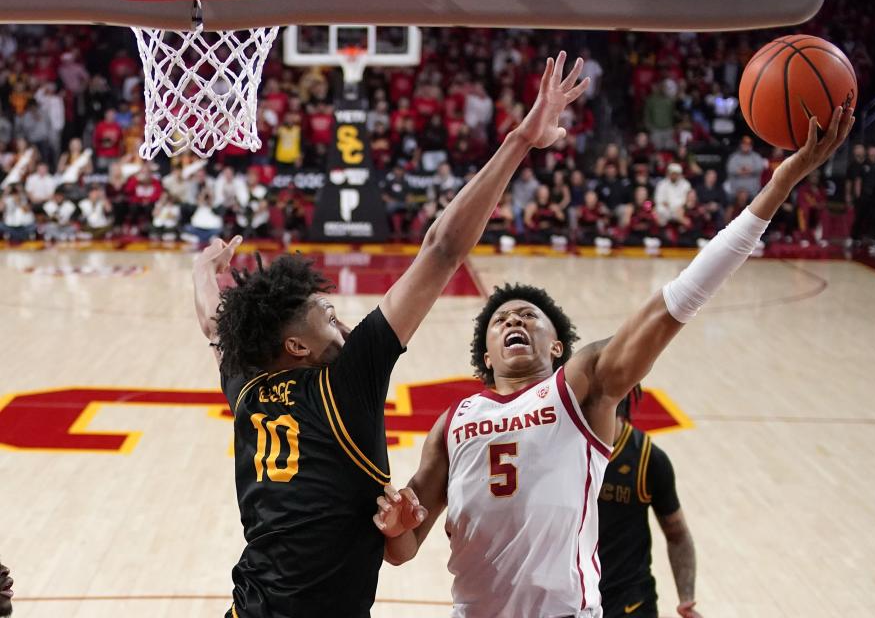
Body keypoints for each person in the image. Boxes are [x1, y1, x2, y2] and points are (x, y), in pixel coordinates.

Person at [373, 107, 854, 618]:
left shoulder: (580, 388)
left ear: (558, 346)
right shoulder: (453, 423)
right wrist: (398, 527)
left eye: (531, 316)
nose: (514, 318)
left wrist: (777, 186)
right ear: (485, 355)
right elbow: (402, 552)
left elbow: (676, 301)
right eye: (501, 318)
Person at [191, 51, 590, 618]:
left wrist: (200, 274)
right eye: (327, 317)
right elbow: (443, 249)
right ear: (298, 348)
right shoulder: (345, 381)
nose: (346, 324)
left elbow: (215, 326)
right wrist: (520, 141)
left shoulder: (251, 392)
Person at [598, 386, 700, 618]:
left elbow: (677, 534)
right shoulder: (568, 450)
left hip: (631, 602)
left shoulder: (648, 459)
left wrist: (686, 599)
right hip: (574, 598)